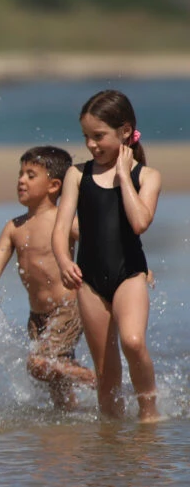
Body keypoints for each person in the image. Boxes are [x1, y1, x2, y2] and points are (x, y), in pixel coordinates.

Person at [0, 146, 95, 410]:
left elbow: (103, 245)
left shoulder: (64, 220)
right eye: (20, 174)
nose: (21, 180)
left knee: (38, 364)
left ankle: (99, 381)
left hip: (69, 309)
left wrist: (136, 268)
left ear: (54, 185)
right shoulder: (13, 227)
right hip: (37, 317)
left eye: (31, 175)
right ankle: (70, 426)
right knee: (56, 387)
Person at [52, 90, 161, 422]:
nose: (91, 145)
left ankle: (149, 414)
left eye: (98, 136)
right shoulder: (76, 175)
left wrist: (124, 176)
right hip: (89, 281)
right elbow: (60, 229)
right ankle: (111, 433)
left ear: (125, 132)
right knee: (105, 370)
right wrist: (63, 261)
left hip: (129, 275)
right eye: (86, 136)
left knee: (132, 341)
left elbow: (140, 222)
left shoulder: (147, 176)